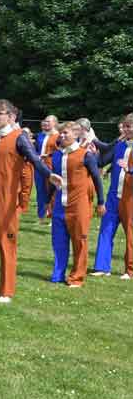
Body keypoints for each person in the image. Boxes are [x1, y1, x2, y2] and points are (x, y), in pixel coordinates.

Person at [0, 100, 62, 303]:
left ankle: (6, 291)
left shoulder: (19, 138)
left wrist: (49, 175)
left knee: (7, 245)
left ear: (12, 117)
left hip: (6, 201)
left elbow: (34, 159)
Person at [47, 122, 105, 287]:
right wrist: (47, 201)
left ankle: (77, 277)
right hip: (59, 204)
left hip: (79, 205)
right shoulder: (57, 155)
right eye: (61, 134)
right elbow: (53, 181)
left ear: (76, 134)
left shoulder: (85, 155)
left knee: (79, 241)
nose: (62, 136)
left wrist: (100, 202)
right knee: (58, 241)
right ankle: (57, 275)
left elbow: (96, 179)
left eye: (65, 133)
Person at [92, 113, 133, 277]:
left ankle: (130, 270)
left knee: (130, 233)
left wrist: (129, 170)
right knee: (106, 229)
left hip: (130, 198)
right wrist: (93, 153)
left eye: (129, 127)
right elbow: (101, 162)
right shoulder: (120, 145)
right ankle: (102, 267)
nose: (125, 130)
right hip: (113, 196)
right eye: (125, 127)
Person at [35, 115, 59, 223]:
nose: (46, 123)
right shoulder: (40, 135)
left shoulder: (58, 136)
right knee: (40, 191)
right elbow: (35, 149)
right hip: (39, 167)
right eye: (45, 121)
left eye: (48, 121)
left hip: (51, 167)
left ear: (55, 123)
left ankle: (53, 216)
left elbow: (60, 151)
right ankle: (41, 216)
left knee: (52, 192)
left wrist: (48, 155)